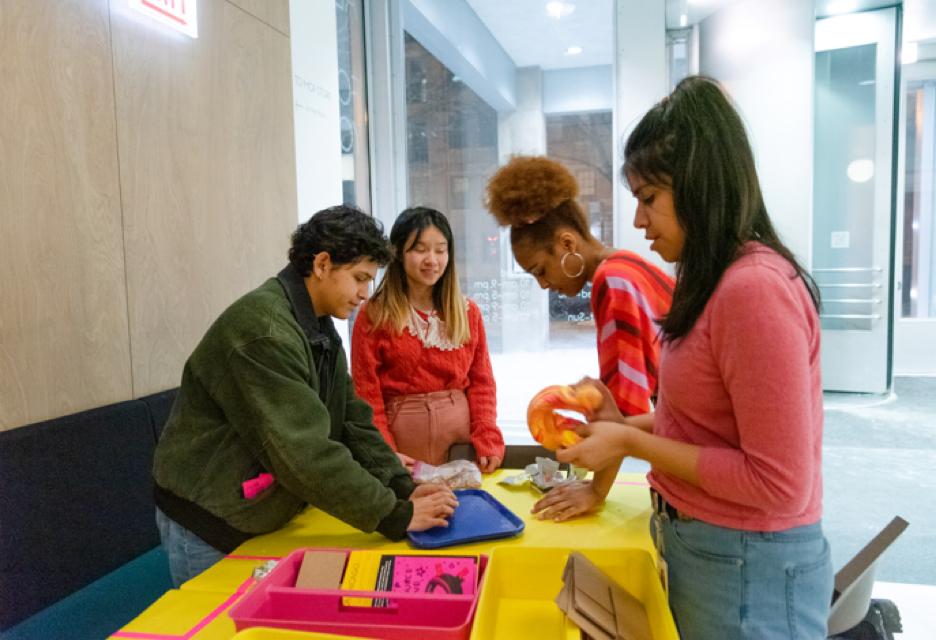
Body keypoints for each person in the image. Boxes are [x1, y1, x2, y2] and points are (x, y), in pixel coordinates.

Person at [556, 76, 833, 639]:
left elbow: (779, 482)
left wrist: (631, 442)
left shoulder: (753, 290)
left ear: (700, 186)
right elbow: (710, 423)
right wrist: (622, 423)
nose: (638, 222)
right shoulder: (709, 281)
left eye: (648, 199)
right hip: (713, 550)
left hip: (747, 565)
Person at [152, 205, 457, 587]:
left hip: (261, 512)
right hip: (209, 521)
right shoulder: (263, 332)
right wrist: (393, 515)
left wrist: (402, 487)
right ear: (323, 264)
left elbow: (351, 420)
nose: (365, 294)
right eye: (360, 278)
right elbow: (306, 452)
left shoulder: (318, 326)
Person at [484, 156, 674, 520]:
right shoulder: (627, 264)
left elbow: (627, 406)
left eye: (540, 270)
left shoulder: (612, 281)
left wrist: (595, 491)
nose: (543, 284)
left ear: (567, 242)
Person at [351, 207, 505, 472]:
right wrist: (385, 453)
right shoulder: (374, 314)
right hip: (402, 453)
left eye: (440, 250)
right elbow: (367, 394)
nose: (431, 259)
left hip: (460, 448)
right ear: (398, 252)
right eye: (420, 249)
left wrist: (487, 437)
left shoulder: (468, 312)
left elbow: (482, 383)